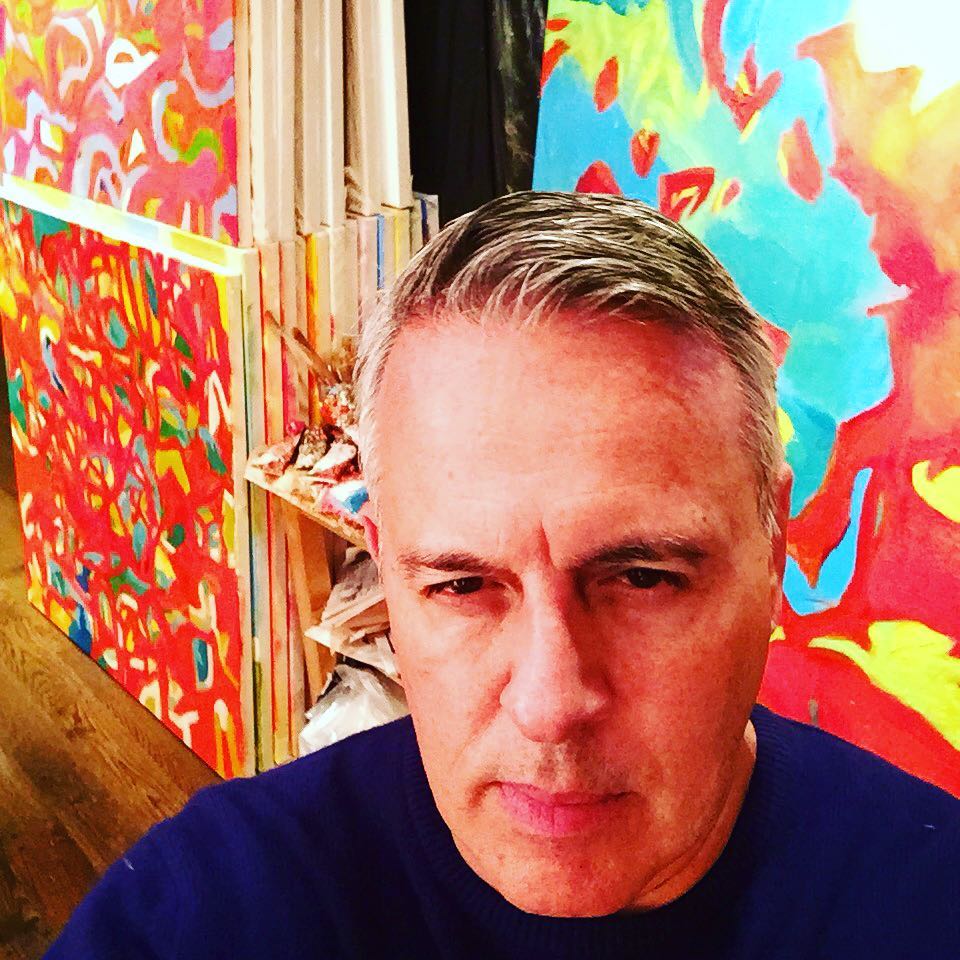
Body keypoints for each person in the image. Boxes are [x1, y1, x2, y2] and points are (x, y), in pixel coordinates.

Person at [47, 192, 959, 959]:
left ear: (774, 544)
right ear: (383, 564)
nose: (549, 703)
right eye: (460, 586)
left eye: (642, 578)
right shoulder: (201, 911)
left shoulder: (929, 900)